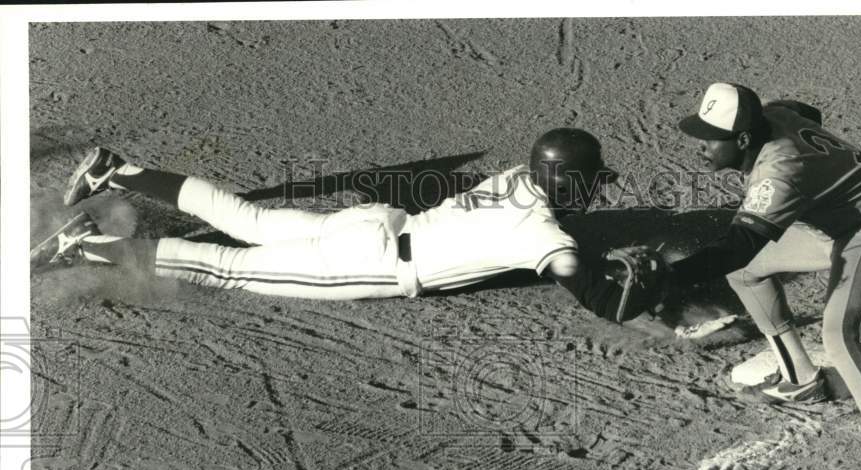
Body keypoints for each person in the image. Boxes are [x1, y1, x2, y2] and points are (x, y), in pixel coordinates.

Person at [666, 82, 861, 470]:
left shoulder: (779, 172)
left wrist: (666, 279)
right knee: (746, 271)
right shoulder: (774, 116)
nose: (701, 146)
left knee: (843, 337)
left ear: (744, 139)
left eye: (711, 138)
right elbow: (803, 110)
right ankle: (801, 380)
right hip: (842, 226)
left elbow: (737, 245)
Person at [34, 129, 620, 299]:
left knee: (250, 221)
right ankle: (87, 247)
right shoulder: (542, 231)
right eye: (592, 180)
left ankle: (119, 170)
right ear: (568, 180)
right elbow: (573, 273)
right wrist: (624, 291)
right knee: (225, 266)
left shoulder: (518, 178)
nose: (596, 191)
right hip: (372, 262)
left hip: (371, 223)